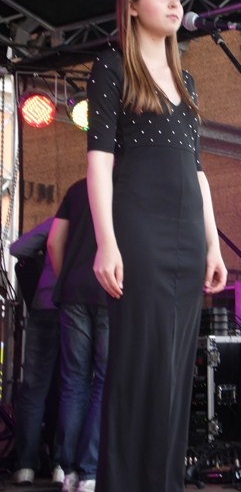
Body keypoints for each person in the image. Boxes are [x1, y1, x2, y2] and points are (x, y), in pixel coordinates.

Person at [86, 0, 228, 492]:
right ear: (132, 4)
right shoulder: (112, 67)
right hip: (139, 230)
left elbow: (199, 173)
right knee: (137, 367)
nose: (175, 3)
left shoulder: (186, 81)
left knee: (174, 373)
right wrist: (106, 242)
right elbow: (99, 162)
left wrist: (213, 245)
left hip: (188, 235)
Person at [47, 178, 108, 492]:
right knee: (104, 380)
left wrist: (67, 279)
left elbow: (53, 242)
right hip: (110, 291)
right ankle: (89, 471)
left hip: (73, 292)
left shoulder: (76, 189)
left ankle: (68, 470)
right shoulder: (125, 184)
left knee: (73, 380)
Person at [10, 218, 64, 487]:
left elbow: (17, 248)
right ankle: (62, 465)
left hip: (44, 305)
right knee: (74, 388)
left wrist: (45, 255)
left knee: (33, 389)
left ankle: (25, 466)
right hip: (77, 308)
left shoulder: (57, 222)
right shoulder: (102, 225)